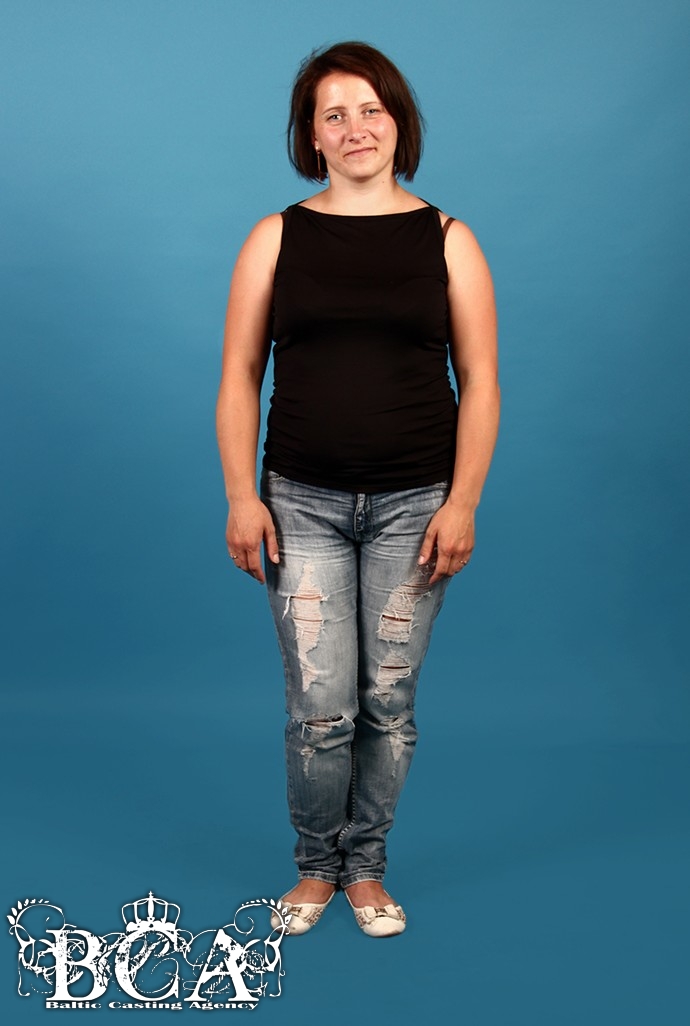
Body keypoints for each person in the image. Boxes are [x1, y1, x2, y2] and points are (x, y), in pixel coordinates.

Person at [216, 41, 499, 938]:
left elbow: (481, 381)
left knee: (388, 703)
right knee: (320, 707)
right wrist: (241, 495)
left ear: (397, 121)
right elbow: (239, 375)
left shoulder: (450, 239)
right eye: (334, 114)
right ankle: (316, 866)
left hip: (416, 507)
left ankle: (366, 868)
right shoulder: (275, 237)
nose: (356, 128)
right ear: (312, 136)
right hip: (298, 502)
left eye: (370, 109)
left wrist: (463, 502)